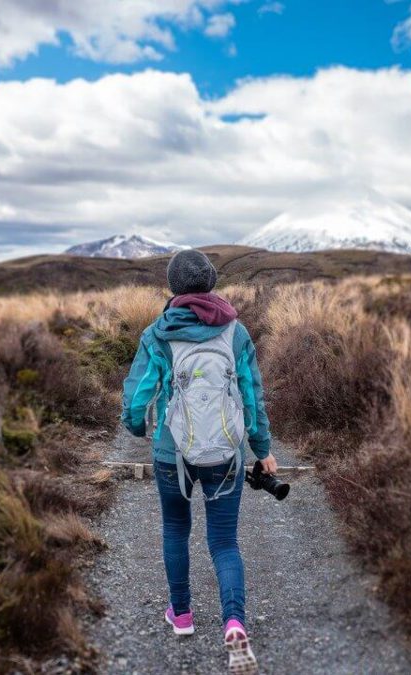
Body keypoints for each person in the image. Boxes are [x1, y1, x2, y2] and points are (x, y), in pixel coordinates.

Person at [121, 249, 275, 675]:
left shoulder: (157, 334)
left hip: (173, 453)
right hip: (226, 453)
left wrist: (138, 429)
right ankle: (233, 621)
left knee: (175, 528)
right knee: (224, 542)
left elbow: (138, 397)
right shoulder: (237, 332)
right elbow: (251, 397)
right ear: (209, 283)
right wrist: (262, 450)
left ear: (174, 287)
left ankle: (183, 615)